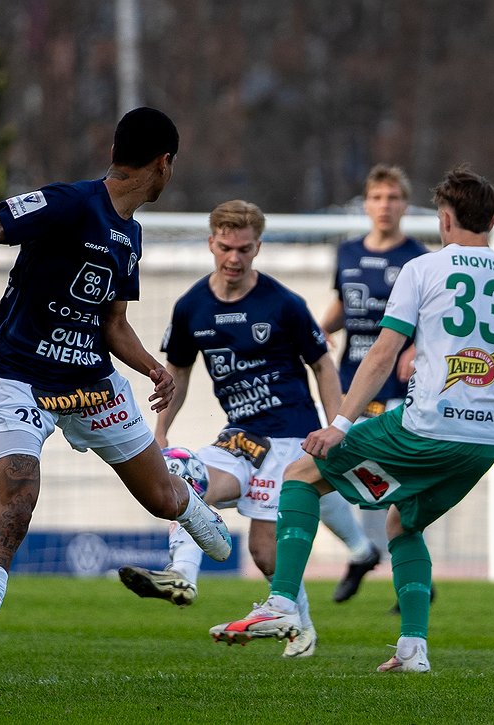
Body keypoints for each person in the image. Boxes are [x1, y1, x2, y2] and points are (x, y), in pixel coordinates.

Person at [209, 165, 494, 673]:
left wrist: (338, 425)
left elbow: (383, 354)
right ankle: (412, 649)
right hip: (482, 445)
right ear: (492, 221)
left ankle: (279, 604)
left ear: (444, 220)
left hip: (422, 429)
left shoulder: (423, 269)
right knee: (402, 523)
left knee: (300, 475)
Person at [0, 107, 232, 718]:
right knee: (14, 514)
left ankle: (189, 498)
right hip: (21, 380)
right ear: (163, 163)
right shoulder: (70, 203)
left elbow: (112, 324)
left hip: (93, 385)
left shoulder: (131, 235)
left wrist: (150, 366)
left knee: (163, 503)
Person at [116, 200, 378, 659]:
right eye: (224, 247)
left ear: (258, 247)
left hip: (290, 441)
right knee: (179, 469)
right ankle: (182, 575)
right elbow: (178, 373)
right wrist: (160, 432)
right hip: (239, 438)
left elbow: (323, 365)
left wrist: (337, 427)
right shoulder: (192, 306)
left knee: (263, 554)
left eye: (243, 249)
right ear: (210, 243)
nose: (233, 258)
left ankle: (302, 628)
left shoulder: (283, 303)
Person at [319, 163, 429, 605]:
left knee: (400, 478)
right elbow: (343, 306)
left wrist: (416, 348)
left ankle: (400, 567)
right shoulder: (346, 252)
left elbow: (433, 320)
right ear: (366, 204)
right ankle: (366, 553)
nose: (385, 206)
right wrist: (317, 330)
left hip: (399, 386)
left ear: (405, 205)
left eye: (394, 198)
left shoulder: (419, 257)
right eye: (378, 198)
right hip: (353, 381)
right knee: (353, 467)